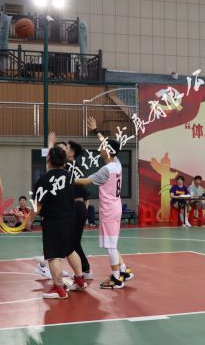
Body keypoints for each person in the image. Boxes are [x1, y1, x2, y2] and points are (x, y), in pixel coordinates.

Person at [75, 117, 134, 289]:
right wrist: (96, 131)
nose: (100, 149)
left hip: (109, 210)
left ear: (107, 152)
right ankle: (124, 270)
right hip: (115, 207)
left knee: (110, 246)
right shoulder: (117, 163)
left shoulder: (105, 170)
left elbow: (85, 181)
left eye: (102, 147)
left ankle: (116, 278)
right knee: (112, 243)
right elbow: (108, 144)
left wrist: (65, 177)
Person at [28, 146, 87, 299]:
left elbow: (37, 206)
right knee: (70, 250)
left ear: (48, 159)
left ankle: (59, 289)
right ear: (64, 160)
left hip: (53, 221)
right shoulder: (69, 176)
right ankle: (80, 280)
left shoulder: (43, 180)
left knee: (53, 255)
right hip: (70, 219)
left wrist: (28, 221)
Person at [33, 134, 93, 280]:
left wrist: (50, 144)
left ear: (70, 153)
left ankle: (83, 271)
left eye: (65, 148)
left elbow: (51, 166)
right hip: (71, 207)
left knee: (70, 244)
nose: (62, 150)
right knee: (68, 243)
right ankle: (47, 264)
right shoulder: (69, 168)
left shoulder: (69, 168)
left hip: (73, 208)